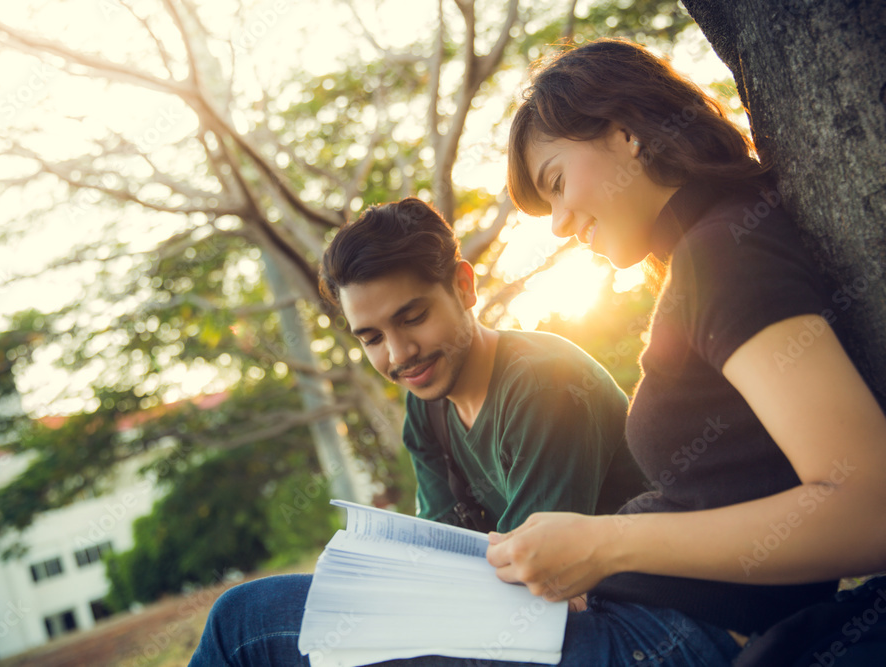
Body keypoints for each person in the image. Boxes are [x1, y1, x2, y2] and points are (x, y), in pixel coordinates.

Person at [190, 38, 886, 665]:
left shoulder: (723, 254)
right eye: (370, 334)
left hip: (678, 635)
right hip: (643, 618)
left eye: (555, 181)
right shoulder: (701, 257)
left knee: (247, 624)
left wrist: (603, 544)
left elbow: (869, 507)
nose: (556, 222)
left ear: (626, 134)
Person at [186, 196, 645, 665]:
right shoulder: (427, 410)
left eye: (413, 318)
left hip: (622, 627)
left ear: (464, 287)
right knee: (247, 620)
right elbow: (442, 558)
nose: (400, 353)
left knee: (243, 624)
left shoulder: (544, 383)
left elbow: (533, 580)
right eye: (372, 338)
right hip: (517, 618)